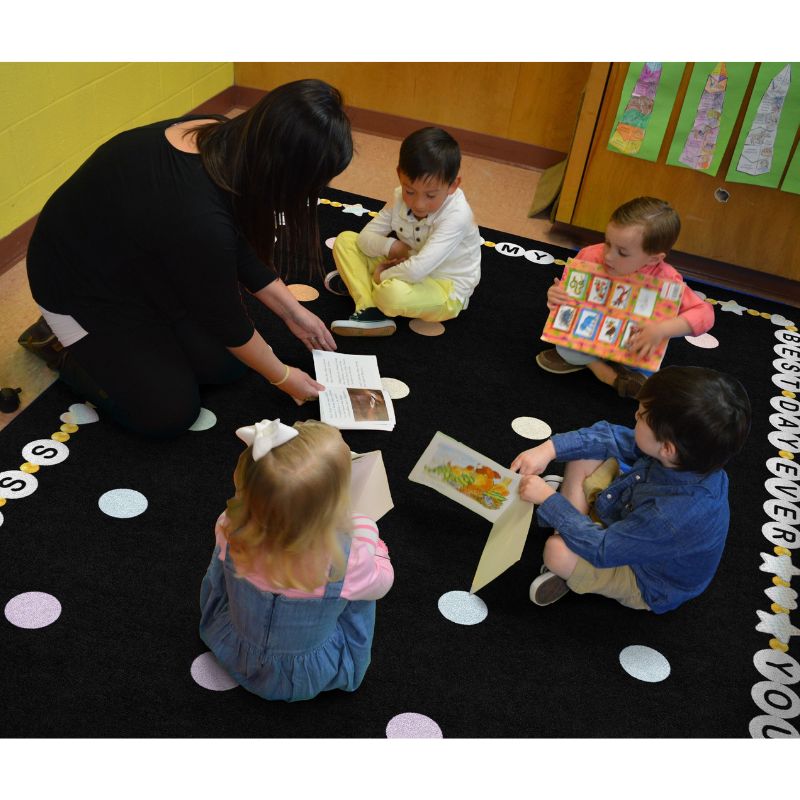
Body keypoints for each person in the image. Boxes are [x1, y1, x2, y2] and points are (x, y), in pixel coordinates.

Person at [23, 79, 352, 437]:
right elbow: (225, 318)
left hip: (143, 264)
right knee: (168, 412)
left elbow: (234, 241)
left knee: (227, 367)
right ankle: (57, 343)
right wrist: (284, 377)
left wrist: (293, 311)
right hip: (77, 288)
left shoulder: (220, 137)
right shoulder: (197, 216)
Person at [510, 366, 750, 613]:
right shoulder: (686, 458)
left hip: (645, 576)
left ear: (667, 449)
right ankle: (572, 528)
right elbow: (610, 437)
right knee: (585, 453)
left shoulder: (669, 516)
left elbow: (604, 549)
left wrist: (549, 501)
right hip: (630, 521)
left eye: (642, 415)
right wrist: (548, 449)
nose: (635, 415)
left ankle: (569, 550)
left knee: (556, 552)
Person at [199, 418, 394, 702]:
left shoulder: (229, 526)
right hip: (304, 674)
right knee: (361, 589)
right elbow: (383, 582)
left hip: (233, 647)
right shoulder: (346, 560)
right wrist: (366, 529)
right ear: (331, 507)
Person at [536, 197, 714, 398]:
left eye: (622, 252)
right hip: (588, 333)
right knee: (564, 347)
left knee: (643, 364)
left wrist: (661, 330)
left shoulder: (666, 279)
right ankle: (602, 372)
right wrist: (555, 296)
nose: (609, 256)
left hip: (631, 346)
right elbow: (568, 298)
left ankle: (603, 367)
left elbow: (705, 314)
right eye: (607, 242)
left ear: (654, 258)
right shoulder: (590, 256)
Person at [328, 126, 482, 336]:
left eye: (431, 195)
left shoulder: (457, 216)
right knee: (346, 240)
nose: (418, 204)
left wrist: (381, 276)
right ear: (399, 174)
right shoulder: (400, 196)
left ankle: (364, 288)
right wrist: (392, 247)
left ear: (453, 185)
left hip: (444, 287)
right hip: (405, 263)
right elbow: (365, 238)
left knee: (391, 295)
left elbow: (416, 271)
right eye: (410, 191)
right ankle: (369, 308)